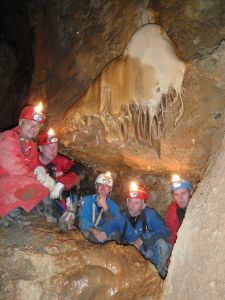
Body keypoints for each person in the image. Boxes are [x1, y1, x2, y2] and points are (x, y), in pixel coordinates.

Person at [102, 181, 171, 279]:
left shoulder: (150, 215)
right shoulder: (120, 218)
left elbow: (166, 232)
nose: (131, 205)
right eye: (129, 201)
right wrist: (95, 232)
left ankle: (159, 275)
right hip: (130, 256)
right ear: (126, 201)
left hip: (150, 256)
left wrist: (143, 238)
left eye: (136, 203)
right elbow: (104, 230)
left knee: (162, 245)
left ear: (143, 205)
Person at [0, 103, 55, 226]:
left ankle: (16, 210)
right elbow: (15, 168)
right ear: (20, 123)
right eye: (29, 123)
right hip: (3, 182)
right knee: (29, 183)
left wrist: (41, 171)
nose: (33, 128)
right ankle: (6, 213)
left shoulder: (32, 146)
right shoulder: (8, 137)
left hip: (8, 184)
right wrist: (39, 178)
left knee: (41, 185)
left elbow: (33, 167)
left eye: (37, 126)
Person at [36, 129, 81, 223]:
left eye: (55, 146)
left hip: (58, 197)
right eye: (49, 146)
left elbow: (77, 169)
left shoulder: (60, 160)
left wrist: (63, 183)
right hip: (37, 198)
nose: (53, 150)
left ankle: (69, 213)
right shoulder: (32, 160)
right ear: (40, 148)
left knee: (72, 187)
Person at [79, 172, 120, 243]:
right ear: (96, 186)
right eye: (100, 185)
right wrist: (95, 231)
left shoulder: (114, 206)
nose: (103, 188)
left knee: (115, 235)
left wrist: (105, 207)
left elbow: (115, 225)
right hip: (89, 231)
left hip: (104, 234)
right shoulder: (86, 200)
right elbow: (83, 220)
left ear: (110, 189)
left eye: (107, 186)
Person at [165, 177, 193, 246]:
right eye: (176, 194)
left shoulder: (199, 208)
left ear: (191, 192)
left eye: (183, 193)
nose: (180, 198)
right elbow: (171, 234)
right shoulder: (172, 211)